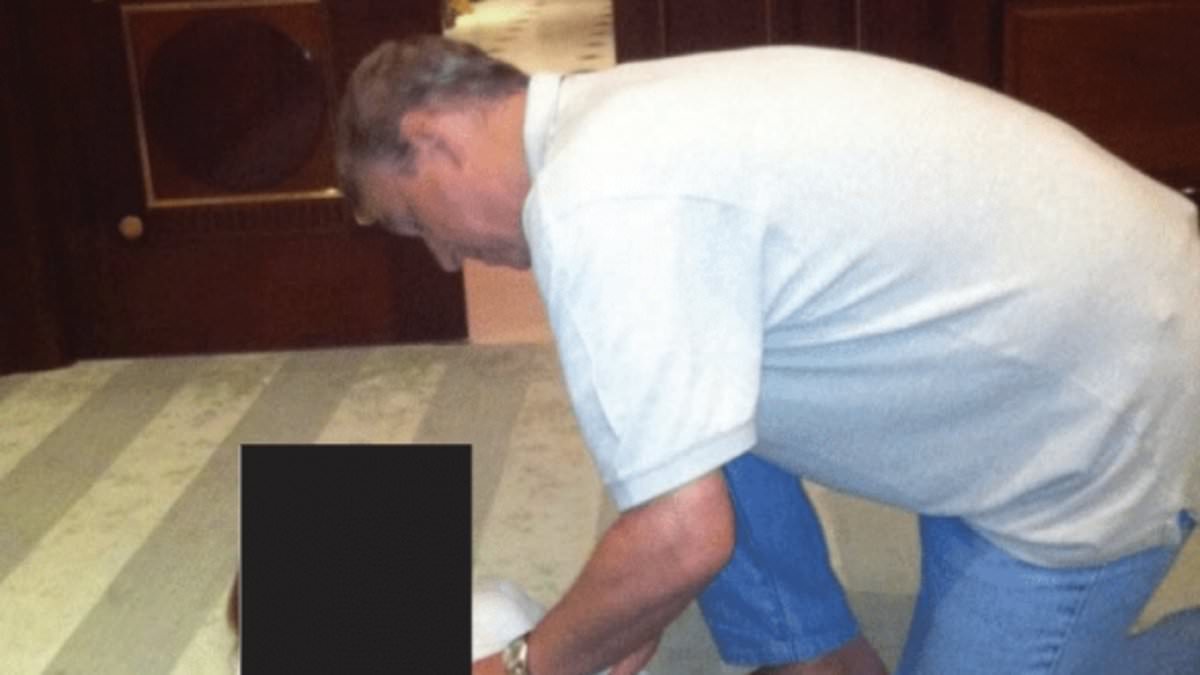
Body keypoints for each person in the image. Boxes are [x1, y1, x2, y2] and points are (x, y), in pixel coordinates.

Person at [335, 35, 1200, 675]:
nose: (443, 258)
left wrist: (525, 665)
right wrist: (629, 602)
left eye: (415, 221)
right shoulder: (615, 119)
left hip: (1103, 412)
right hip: (1033, 351)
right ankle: (818, 658)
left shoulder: (592, 203)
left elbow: (684, 534)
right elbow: (672, 481)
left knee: (671, 503)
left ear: (433, 138)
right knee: (656, 417)